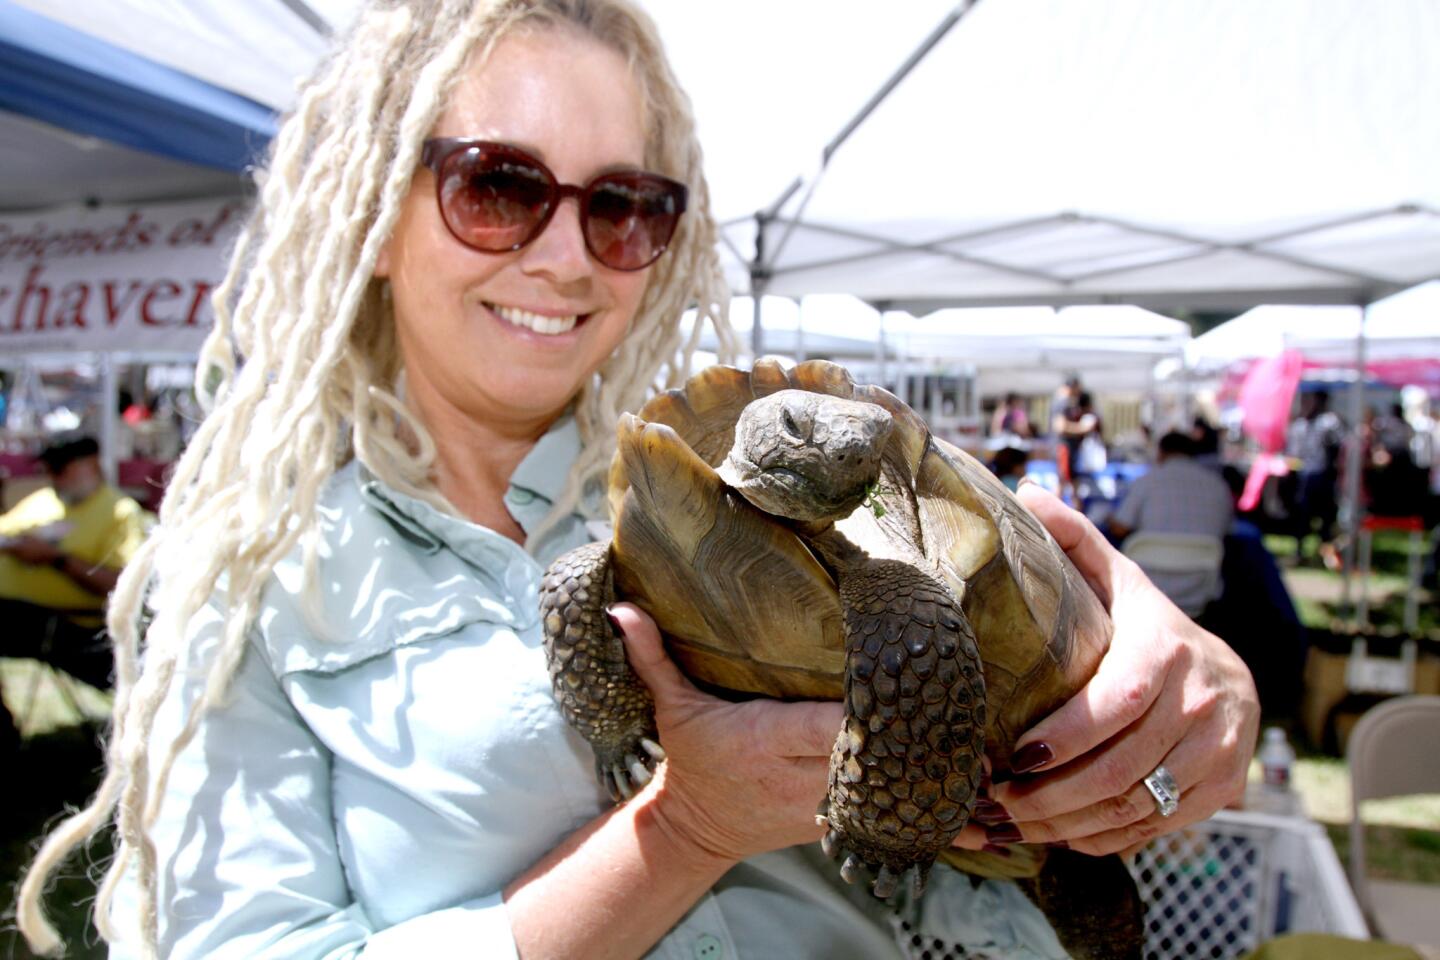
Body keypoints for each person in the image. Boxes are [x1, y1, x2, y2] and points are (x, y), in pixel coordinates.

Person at [19, 3, 1260, 957]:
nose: (565, 257)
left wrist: (1168, 678)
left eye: (624, 207)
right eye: (498, 186)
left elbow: (984, 665)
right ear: (372, 215)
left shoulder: (725, 474)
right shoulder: (251, 572)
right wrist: (683, 832)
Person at [0, 435, 148, 743]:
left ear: (90, 465)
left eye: (60, 469)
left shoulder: (120, 512)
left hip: (71, 628)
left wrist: (56, 560)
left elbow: (122, 587)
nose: (52, 477)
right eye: (49, 469)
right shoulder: (44, 499)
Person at [1105, 432, 1234, 615]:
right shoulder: (1218, 485)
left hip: (1147, 586)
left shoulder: (1147, 481)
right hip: (1200, 588)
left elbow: (1119, 527)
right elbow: (1227, 530)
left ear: (1161, 453)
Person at [1284, 389, 1344, 562]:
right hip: (1304, 476)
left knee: (1326, 516)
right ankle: (1299, 550)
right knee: (1303, 515)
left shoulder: (1329, 423)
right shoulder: (1300, 426)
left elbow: (1338, 448)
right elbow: (1293, 453)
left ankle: (1325, 552)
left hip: (1323, 476)